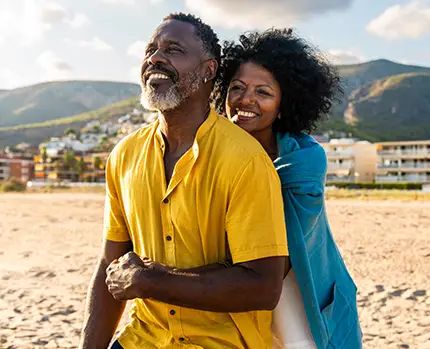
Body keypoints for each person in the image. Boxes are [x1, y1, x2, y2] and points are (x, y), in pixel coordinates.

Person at [79, 13, 289, 349]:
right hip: (142, 338)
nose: (155, 58)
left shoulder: (246, 160)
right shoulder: (124, 156)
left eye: (173, 50)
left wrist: (150, 281)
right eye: (151, 50)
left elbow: (263, 287)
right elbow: (110, 265)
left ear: (208, 70)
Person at [212, 29, 363, 349]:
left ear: (283, 105)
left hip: (296, 288)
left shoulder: (305, 159)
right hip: (240, 288)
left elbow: (274, 252)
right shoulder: (214, 154)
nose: (246, 99)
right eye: (236, 87)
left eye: (263, 92)